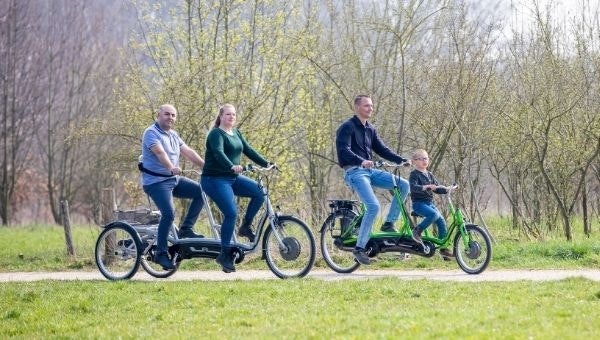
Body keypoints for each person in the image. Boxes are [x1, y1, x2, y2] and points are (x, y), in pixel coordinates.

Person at [335, 94, 411, 265]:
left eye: (371, 106)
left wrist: (401, 160)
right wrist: (361, 161)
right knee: (373, 206)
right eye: (367, 106)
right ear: (357, 108)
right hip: (354, 171)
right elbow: (343, 150)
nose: (371, 108)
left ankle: (389, 223)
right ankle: (360, 248)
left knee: (403, 185)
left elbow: (382, 149)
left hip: (370, 171)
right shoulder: (346, 127)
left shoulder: (371, 129)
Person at [201, 104, 272, 273]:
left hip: (232, 178)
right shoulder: (215, 134)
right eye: (228, 114)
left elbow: (248, 150)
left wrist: (267, 163)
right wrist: (232, 165)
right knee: (231, 213)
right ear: (221, 116)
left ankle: (245, 226)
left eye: (233, 114)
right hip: (214, 179)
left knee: (259, 192)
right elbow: (218, 153)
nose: (231, 117)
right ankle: (224, 254)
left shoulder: (236, 133)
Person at [140, 104, 206, 270]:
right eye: (167, 114)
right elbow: (160, 153)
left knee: (202, 192)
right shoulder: (151, 133)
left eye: (173, 115)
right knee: (169, 214)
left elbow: (188, 152)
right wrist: (171, 168)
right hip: (156, 182)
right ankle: (160, 253)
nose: (170, 118)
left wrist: (205, 166)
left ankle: (186, 228)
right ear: (158, 115)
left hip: (173, 180)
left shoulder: (174, 135)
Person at [409, 149, 454, 259]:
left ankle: (443, 249)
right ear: (415, 161)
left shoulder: (429, 174)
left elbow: (437, 188)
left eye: (426, 158)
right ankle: (417, 231)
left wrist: (447, 189)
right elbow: (413, 188)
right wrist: (425, 187)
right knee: (434, 215)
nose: (425, 161)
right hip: (419, 204)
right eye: (421, 159)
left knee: (442, 222)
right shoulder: (414, 174)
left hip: (429, 203)